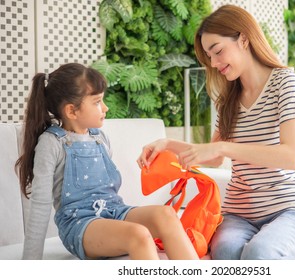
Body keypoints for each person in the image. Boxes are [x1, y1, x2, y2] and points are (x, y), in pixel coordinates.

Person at [137, 5, 295, 260]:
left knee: (260, 253)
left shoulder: (284, 82)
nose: (214, 63)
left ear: (243, 39)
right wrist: (166, 144)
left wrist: (224, 147)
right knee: (225, 251)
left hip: (288, 210)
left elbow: (291, 156)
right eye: (209, 57)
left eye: (218, 51)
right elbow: (212, 158)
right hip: (238, 214)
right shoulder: (228, 100)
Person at [15, 63, 198, 260]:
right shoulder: (51, 143)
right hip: (80, 225)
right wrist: (29, 263)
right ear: (71, 111)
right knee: (139, 234)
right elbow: (40, 204)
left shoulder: (100, 137)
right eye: (97, 102)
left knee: (167, 215)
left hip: (114, 211)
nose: (105, 107)